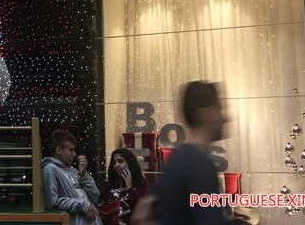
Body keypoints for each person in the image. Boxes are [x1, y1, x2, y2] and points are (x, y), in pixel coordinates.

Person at [150, 81, 239, 225]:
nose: (225, 119)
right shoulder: (199, 164)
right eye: (219, 110)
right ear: (203, 114)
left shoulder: (180, 159)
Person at [42, 129, 101, 225]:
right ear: (59, 150)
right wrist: (82, 205)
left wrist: (83, 174)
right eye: (71, 150)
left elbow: (95, 197)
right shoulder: (50, 169)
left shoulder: (74, 171)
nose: (75, 154)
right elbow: (52, 203)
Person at [99, 148, 148, 225]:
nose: (116, 165)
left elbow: (142, 209)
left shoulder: (141, 184)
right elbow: (101, 208)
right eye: (114, 162)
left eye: (120, 161)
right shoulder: (109, 186)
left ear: (130, 163)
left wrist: (130, 187)